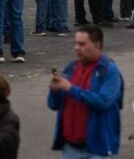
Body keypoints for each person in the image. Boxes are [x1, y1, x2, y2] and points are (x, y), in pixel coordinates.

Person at [48, 26, 124, 158]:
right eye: (75, 44)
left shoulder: (109, 71)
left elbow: (103, 101)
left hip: (97, 148)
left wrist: (71, 89)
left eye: (82, 44)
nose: (77, 48)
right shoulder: (71, 68)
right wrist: (54, 91)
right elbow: (53, 105)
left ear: (97, 45)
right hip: (70, 147)